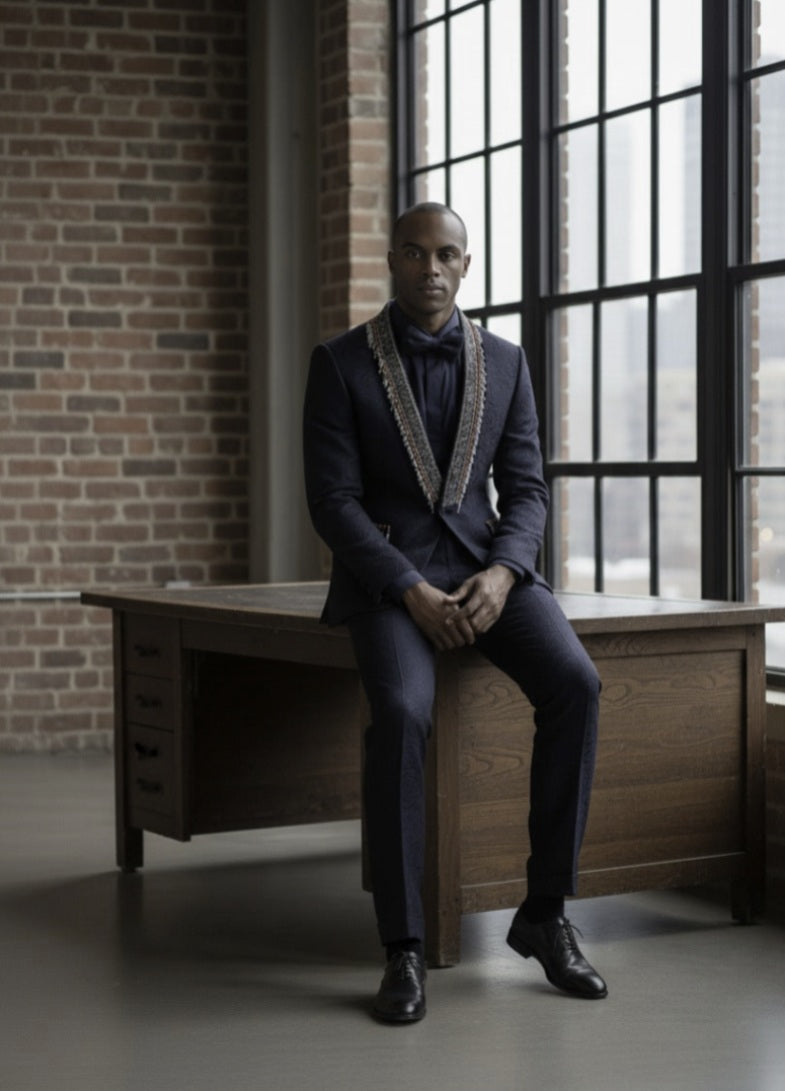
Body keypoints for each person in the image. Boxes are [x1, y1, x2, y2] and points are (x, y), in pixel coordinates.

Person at [302, 202, 606, 1023]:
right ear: (392, 260)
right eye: (414, 252)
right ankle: (402, 945)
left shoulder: (505, 360)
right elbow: (332, 501)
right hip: (388, 583)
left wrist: (504, 573)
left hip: (487, 573)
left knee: (576, 684)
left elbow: (528, 489)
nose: (430, 268)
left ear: (465, 264)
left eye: (446, 254)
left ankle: (543, 913)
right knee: (403, 713)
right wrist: (407, 587)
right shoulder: (338, 363)